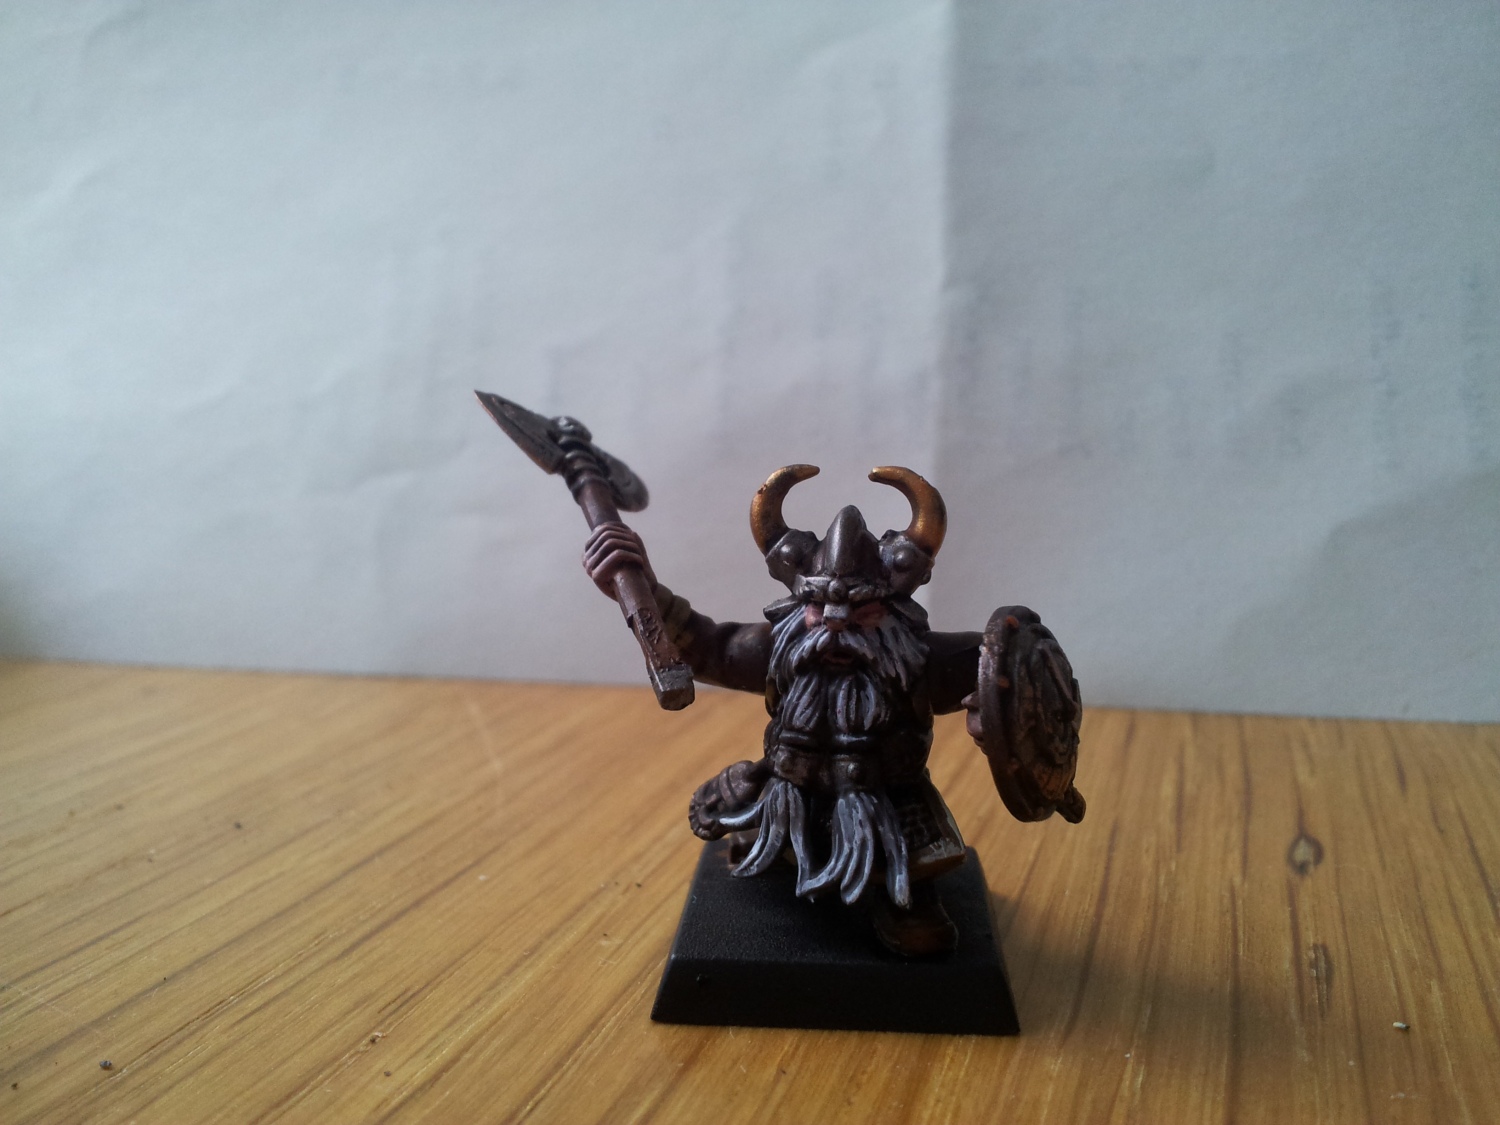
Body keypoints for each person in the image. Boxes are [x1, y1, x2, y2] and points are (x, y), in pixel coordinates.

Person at [582, 465, 985, 956]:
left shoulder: (922, 661)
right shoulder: (778, 648)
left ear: (892, 610)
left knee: (905, 866)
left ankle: (905, 898)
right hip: (791, 790)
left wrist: (995, 712)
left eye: (862, 611)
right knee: (767, 825)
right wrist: (643, 585)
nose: (835, 624)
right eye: (819, 607)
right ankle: (781, 850)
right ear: (800, 604)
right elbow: (707, 646)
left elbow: (1000, 674)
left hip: (887, 799)